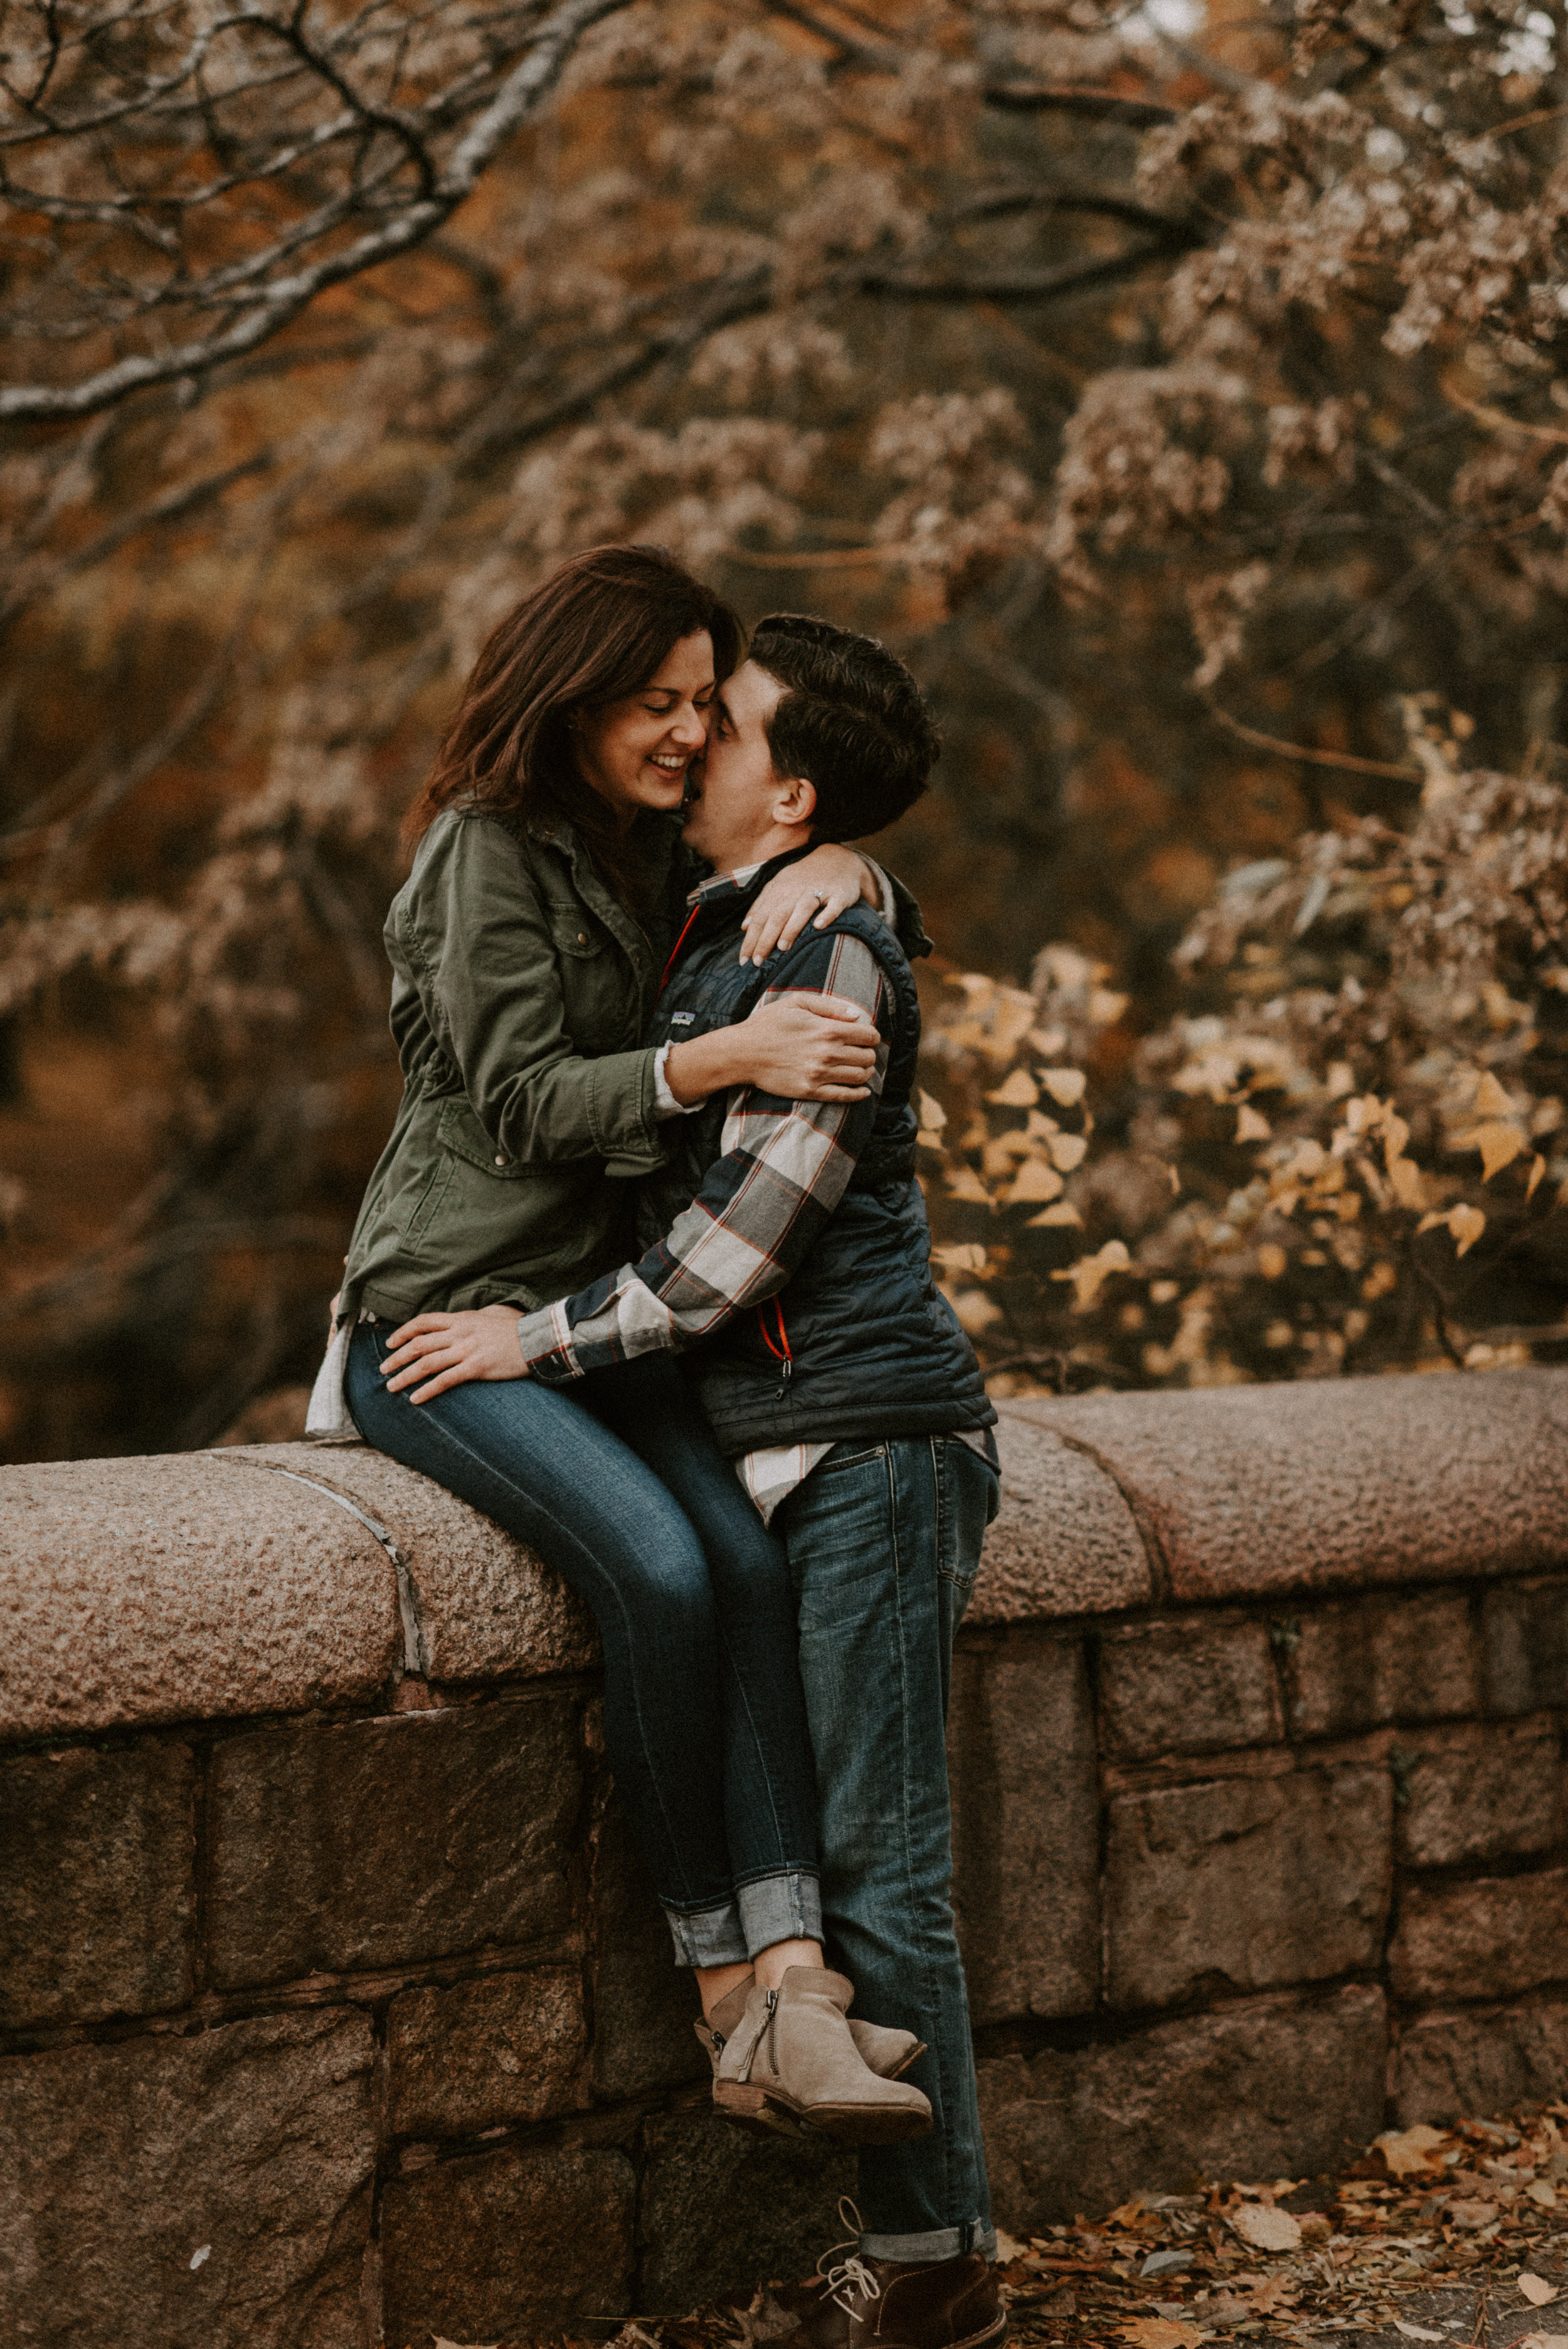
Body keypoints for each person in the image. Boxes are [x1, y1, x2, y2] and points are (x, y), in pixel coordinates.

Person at [378, 613, 1007, 2349]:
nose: (685, 742)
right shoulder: (730, 908)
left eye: (714, 720)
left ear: (784, 788)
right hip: (797, 1455)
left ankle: (936, 2267)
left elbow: (724, 1270)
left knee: (884, 1869)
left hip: (871, 1450)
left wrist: (529, 1342)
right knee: (864, 1849)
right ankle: (914, 2241)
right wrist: (851, 862)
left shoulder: (823, 951)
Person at [319, 544, 931, 2138]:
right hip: (447, 1324)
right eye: (654, 703)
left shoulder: (653, 852)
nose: (681, 733)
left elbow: (774, 870)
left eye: (697, 706)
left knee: (741, 1567)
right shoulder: (483, 853)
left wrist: (857, 874)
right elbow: (524, 1102)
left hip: (588, 1329)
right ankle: (725, 1987)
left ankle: (801, 1990)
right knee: (654, 1574)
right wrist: (730, 1049)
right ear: (570, 696)